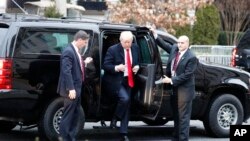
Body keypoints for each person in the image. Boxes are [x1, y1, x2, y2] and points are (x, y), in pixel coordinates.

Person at [151, 28, 197, 141]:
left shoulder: (192, 57)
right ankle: (176, 137)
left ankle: (183, 138)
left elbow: (187, 75)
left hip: (184, 91)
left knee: (183, 118)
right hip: (174, 90)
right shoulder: (175, 49)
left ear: (187, 44)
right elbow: (164, 45)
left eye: (182, 43)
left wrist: (171, 80)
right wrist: (155, 35)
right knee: (176, 116)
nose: (179, 44)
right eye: (178, 42)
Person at [102, 31, 139, 141]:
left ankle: (124, 132)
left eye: (130, 42)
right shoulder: (113, 49)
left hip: (129, 79)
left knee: (127, 104)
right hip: (115, 80)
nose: (128, 44)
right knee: (125, 99)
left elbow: (137, 61)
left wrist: (136, 66)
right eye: (126, 42)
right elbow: (106, 65)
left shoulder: (135, 48)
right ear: (120, 40)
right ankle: (116, 117)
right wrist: (117, 67)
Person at [57, 30, 92, 141]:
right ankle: (64, 138)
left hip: (77, 88)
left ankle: (71, 137)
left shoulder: (74, 50)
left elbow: (75, 65)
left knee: (75, 115)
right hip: (72, 90)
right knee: (68, 116)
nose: (85, 45)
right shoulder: (69, 51)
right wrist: (71, 88)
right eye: (85, 42)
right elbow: (66, 71)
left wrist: (84, 62)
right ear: (80, 40)